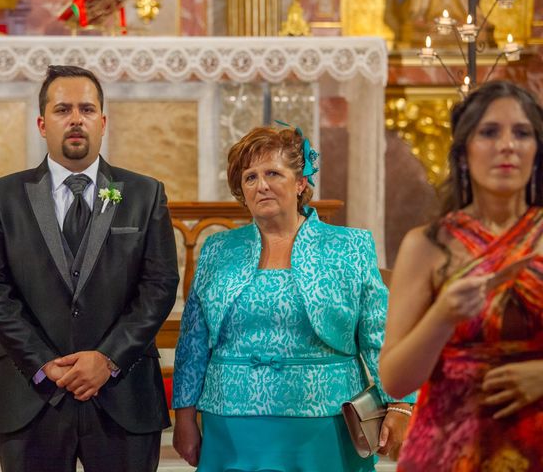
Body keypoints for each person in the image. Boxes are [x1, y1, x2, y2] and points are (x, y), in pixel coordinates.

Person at [0, 65, 179, 472]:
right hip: (31, 393)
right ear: (42, 123)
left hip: (122, 391)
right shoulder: (2, 196)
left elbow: (159, 285)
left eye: (86, 109)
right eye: (63, 109)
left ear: (103, 121)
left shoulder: (144, 194)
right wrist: (43, 363)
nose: (76, 119)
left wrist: (107, 359)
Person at [172, 125, 415, 471]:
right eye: (250, 177)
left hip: (325, 426)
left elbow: (382, 336)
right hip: (230, 424)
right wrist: (184, 418)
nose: (262, 185)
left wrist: (401, 404)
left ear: (301, 182)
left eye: (273, 173)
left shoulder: (350, 246)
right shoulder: (217, 249)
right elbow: (193, 344)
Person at [380, 80, 543, 471]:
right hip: (449, 447)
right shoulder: (427, 245)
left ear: (537, 152)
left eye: (522, 133)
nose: (507, 145)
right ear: (465, 151)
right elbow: (394, 380)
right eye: (489, 132)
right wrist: (442, 317)